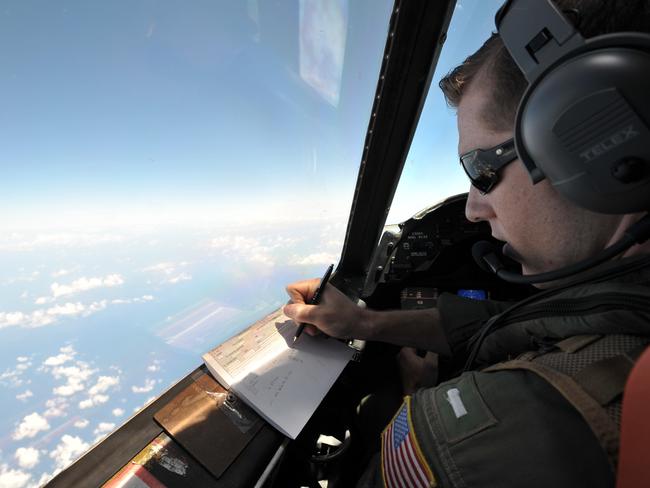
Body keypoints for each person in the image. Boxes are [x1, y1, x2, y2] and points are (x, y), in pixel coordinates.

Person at [284, 0, 650, 486]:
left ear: (604, 143)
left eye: (482, 171)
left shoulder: (508, 433)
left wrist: (417, 397)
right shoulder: (622, 302)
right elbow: (510, 323)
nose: (473, 210)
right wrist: (361, 321)